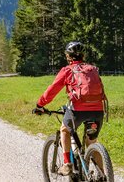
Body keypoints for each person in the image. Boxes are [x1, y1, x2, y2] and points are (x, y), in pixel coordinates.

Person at [33, 41, 106, 176]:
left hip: (78, 111)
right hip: (98, 110)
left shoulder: (67, 70)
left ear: (68, 56)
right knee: (91, 143)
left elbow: (52, 90)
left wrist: (40, 105)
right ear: (83, 55)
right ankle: (103, 175)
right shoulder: (93, 69)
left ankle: (67, 164)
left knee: (65, 130)